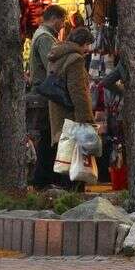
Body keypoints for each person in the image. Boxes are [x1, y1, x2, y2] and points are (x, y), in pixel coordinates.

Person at [42, 24, 94, 189]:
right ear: (83, 43)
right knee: (75, 156)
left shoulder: (56, 55)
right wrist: (86, 119)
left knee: (63, 153)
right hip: (72, 114)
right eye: (87, 45)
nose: (88, 49)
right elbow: (78, 92)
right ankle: (73, 192)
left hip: (57, 111)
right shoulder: (75, 60)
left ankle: (65, 190)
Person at [26, 5, 67, 187]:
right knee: (49, 136)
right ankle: (43, 179)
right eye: (63, 21)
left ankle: (43, 178)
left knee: (47, 136)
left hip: (42, 92)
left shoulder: (41, 34)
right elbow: (52, 64)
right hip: (45, 94)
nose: (63, 25)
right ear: (56, 18)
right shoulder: (45, 38)